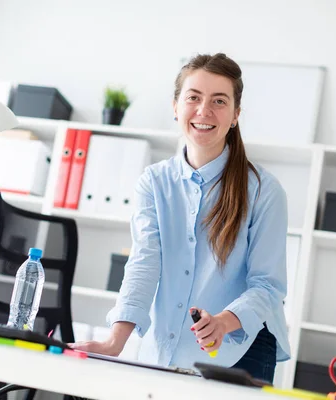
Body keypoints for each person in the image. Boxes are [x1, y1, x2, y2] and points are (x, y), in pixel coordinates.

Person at [69, 52, 290, 383]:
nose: (204, 111)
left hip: (241, 351)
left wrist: (225, 321)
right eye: (194, 98)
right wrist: (116, 341)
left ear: (235, 115)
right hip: (165, 346)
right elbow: (144, 263)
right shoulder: (154, 182)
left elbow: (268, 286)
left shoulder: (264, 191)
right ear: (176, 107)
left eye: (219, 101)